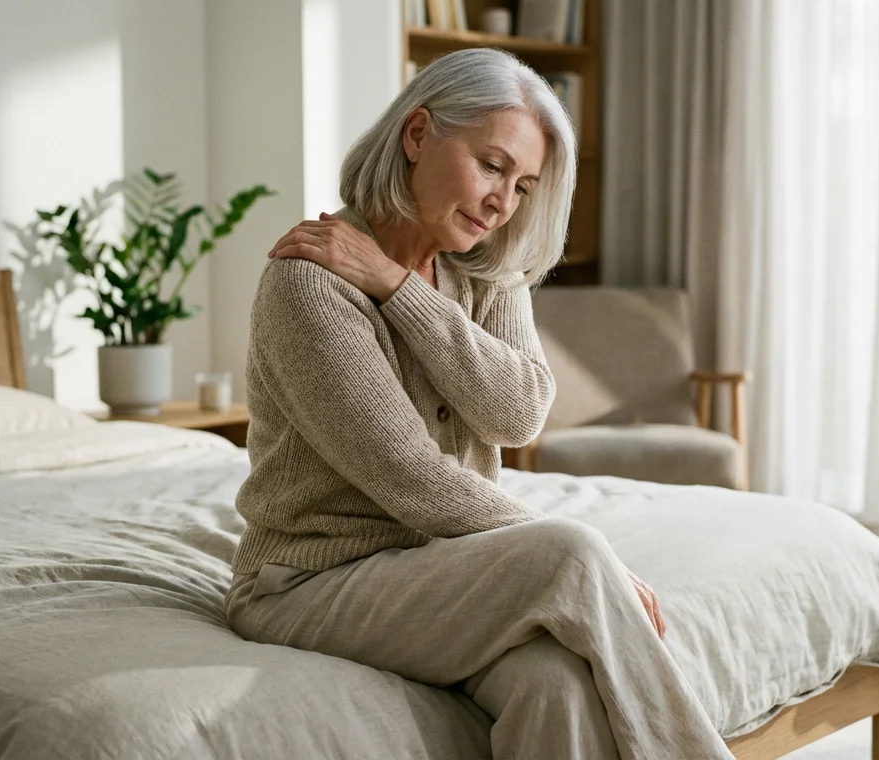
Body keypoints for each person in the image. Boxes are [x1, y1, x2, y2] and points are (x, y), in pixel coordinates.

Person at [226, 47, 732, 760]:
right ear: (417, 135)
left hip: (444, 566)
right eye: (492, 165)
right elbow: (414, 479)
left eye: (524, 185)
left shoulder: (487, 263)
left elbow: (519, 412)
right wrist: (595, 566)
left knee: (553, 685)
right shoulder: (309, 286)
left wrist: (399, 290)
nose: (503, 201)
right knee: (570, 551)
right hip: (309, 582)